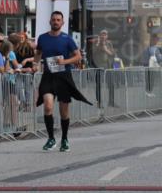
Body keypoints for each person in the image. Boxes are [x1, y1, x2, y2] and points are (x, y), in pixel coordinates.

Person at [36, 10, 91, 152]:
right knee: (48, 106)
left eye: (58, 20)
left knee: (63, 111)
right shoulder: (42, 38)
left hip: (63, 77)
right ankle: (51, 139)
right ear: (50, 21)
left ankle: (65, 139)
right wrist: (35, 65)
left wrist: (64, 61)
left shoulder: (67, 39)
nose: (55, 22)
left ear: (62, 22)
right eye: (53, 19)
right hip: (48, 76)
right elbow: (38, 53)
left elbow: (78, 57)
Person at [92, 30, 118, 107]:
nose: (103, 36)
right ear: (100, 36)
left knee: (111, 84)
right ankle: (99, 103)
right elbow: (93, 52)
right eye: (102, 34)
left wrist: (106, 49)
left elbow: (112, 53)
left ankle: (111, 102)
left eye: (105, 34)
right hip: (99, 66)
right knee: (98, 85)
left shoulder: (109, 43)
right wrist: (100, 46)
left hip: (108, 66)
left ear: (107, 36)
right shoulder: (96, 43)